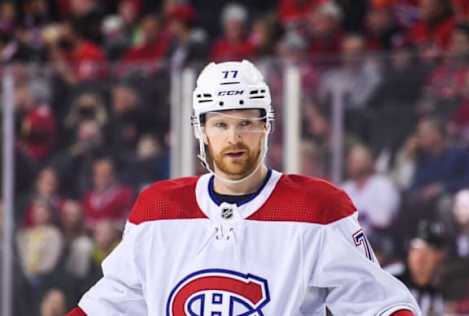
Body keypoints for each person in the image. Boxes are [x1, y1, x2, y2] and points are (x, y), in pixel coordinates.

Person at [67, 60, 420, 315]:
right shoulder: (157, 211)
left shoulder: (316, 209)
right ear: (201, 131)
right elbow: (112, 301)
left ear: (266, 127)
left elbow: (378, 303)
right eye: (220, 124)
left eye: (246, 123)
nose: (234, 138)